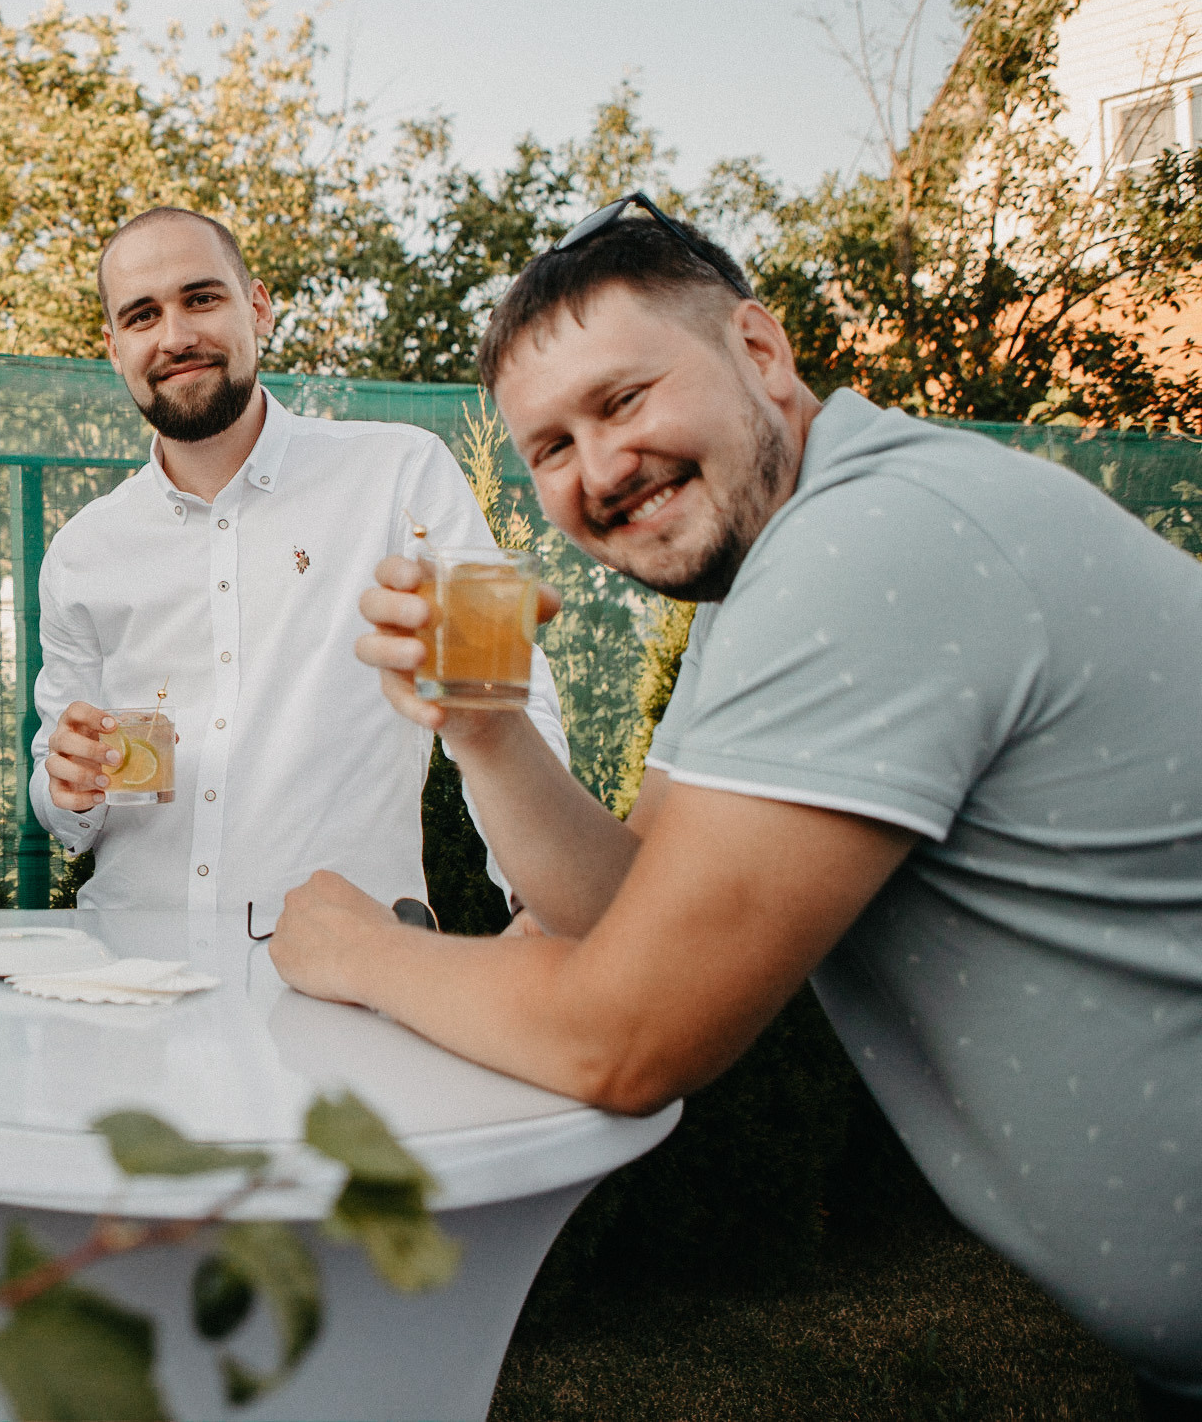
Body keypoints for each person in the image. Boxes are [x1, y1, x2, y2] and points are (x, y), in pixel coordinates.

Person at [274, 195, 1202, 1418]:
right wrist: (484, 726)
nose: (598, 468)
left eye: (623, 400)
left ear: (759, 354)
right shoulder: (776, 570)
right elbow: (620, 911)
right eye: (548, 447)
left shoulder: (868, 547)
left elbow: (628, 1036)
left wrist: (358, 951)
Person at [31, 206, 567, 915]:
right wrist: (65, 785)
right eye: (141, 316)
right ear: (114, 346)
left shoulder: (400, 476)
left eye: (201, 298)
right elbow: (63, 800)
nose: (176, 335)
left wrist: (544, 901)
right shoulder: (82, 551)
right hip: (134, 976)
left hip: (348, 981)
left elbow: (505, 691)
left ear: (257, 308)